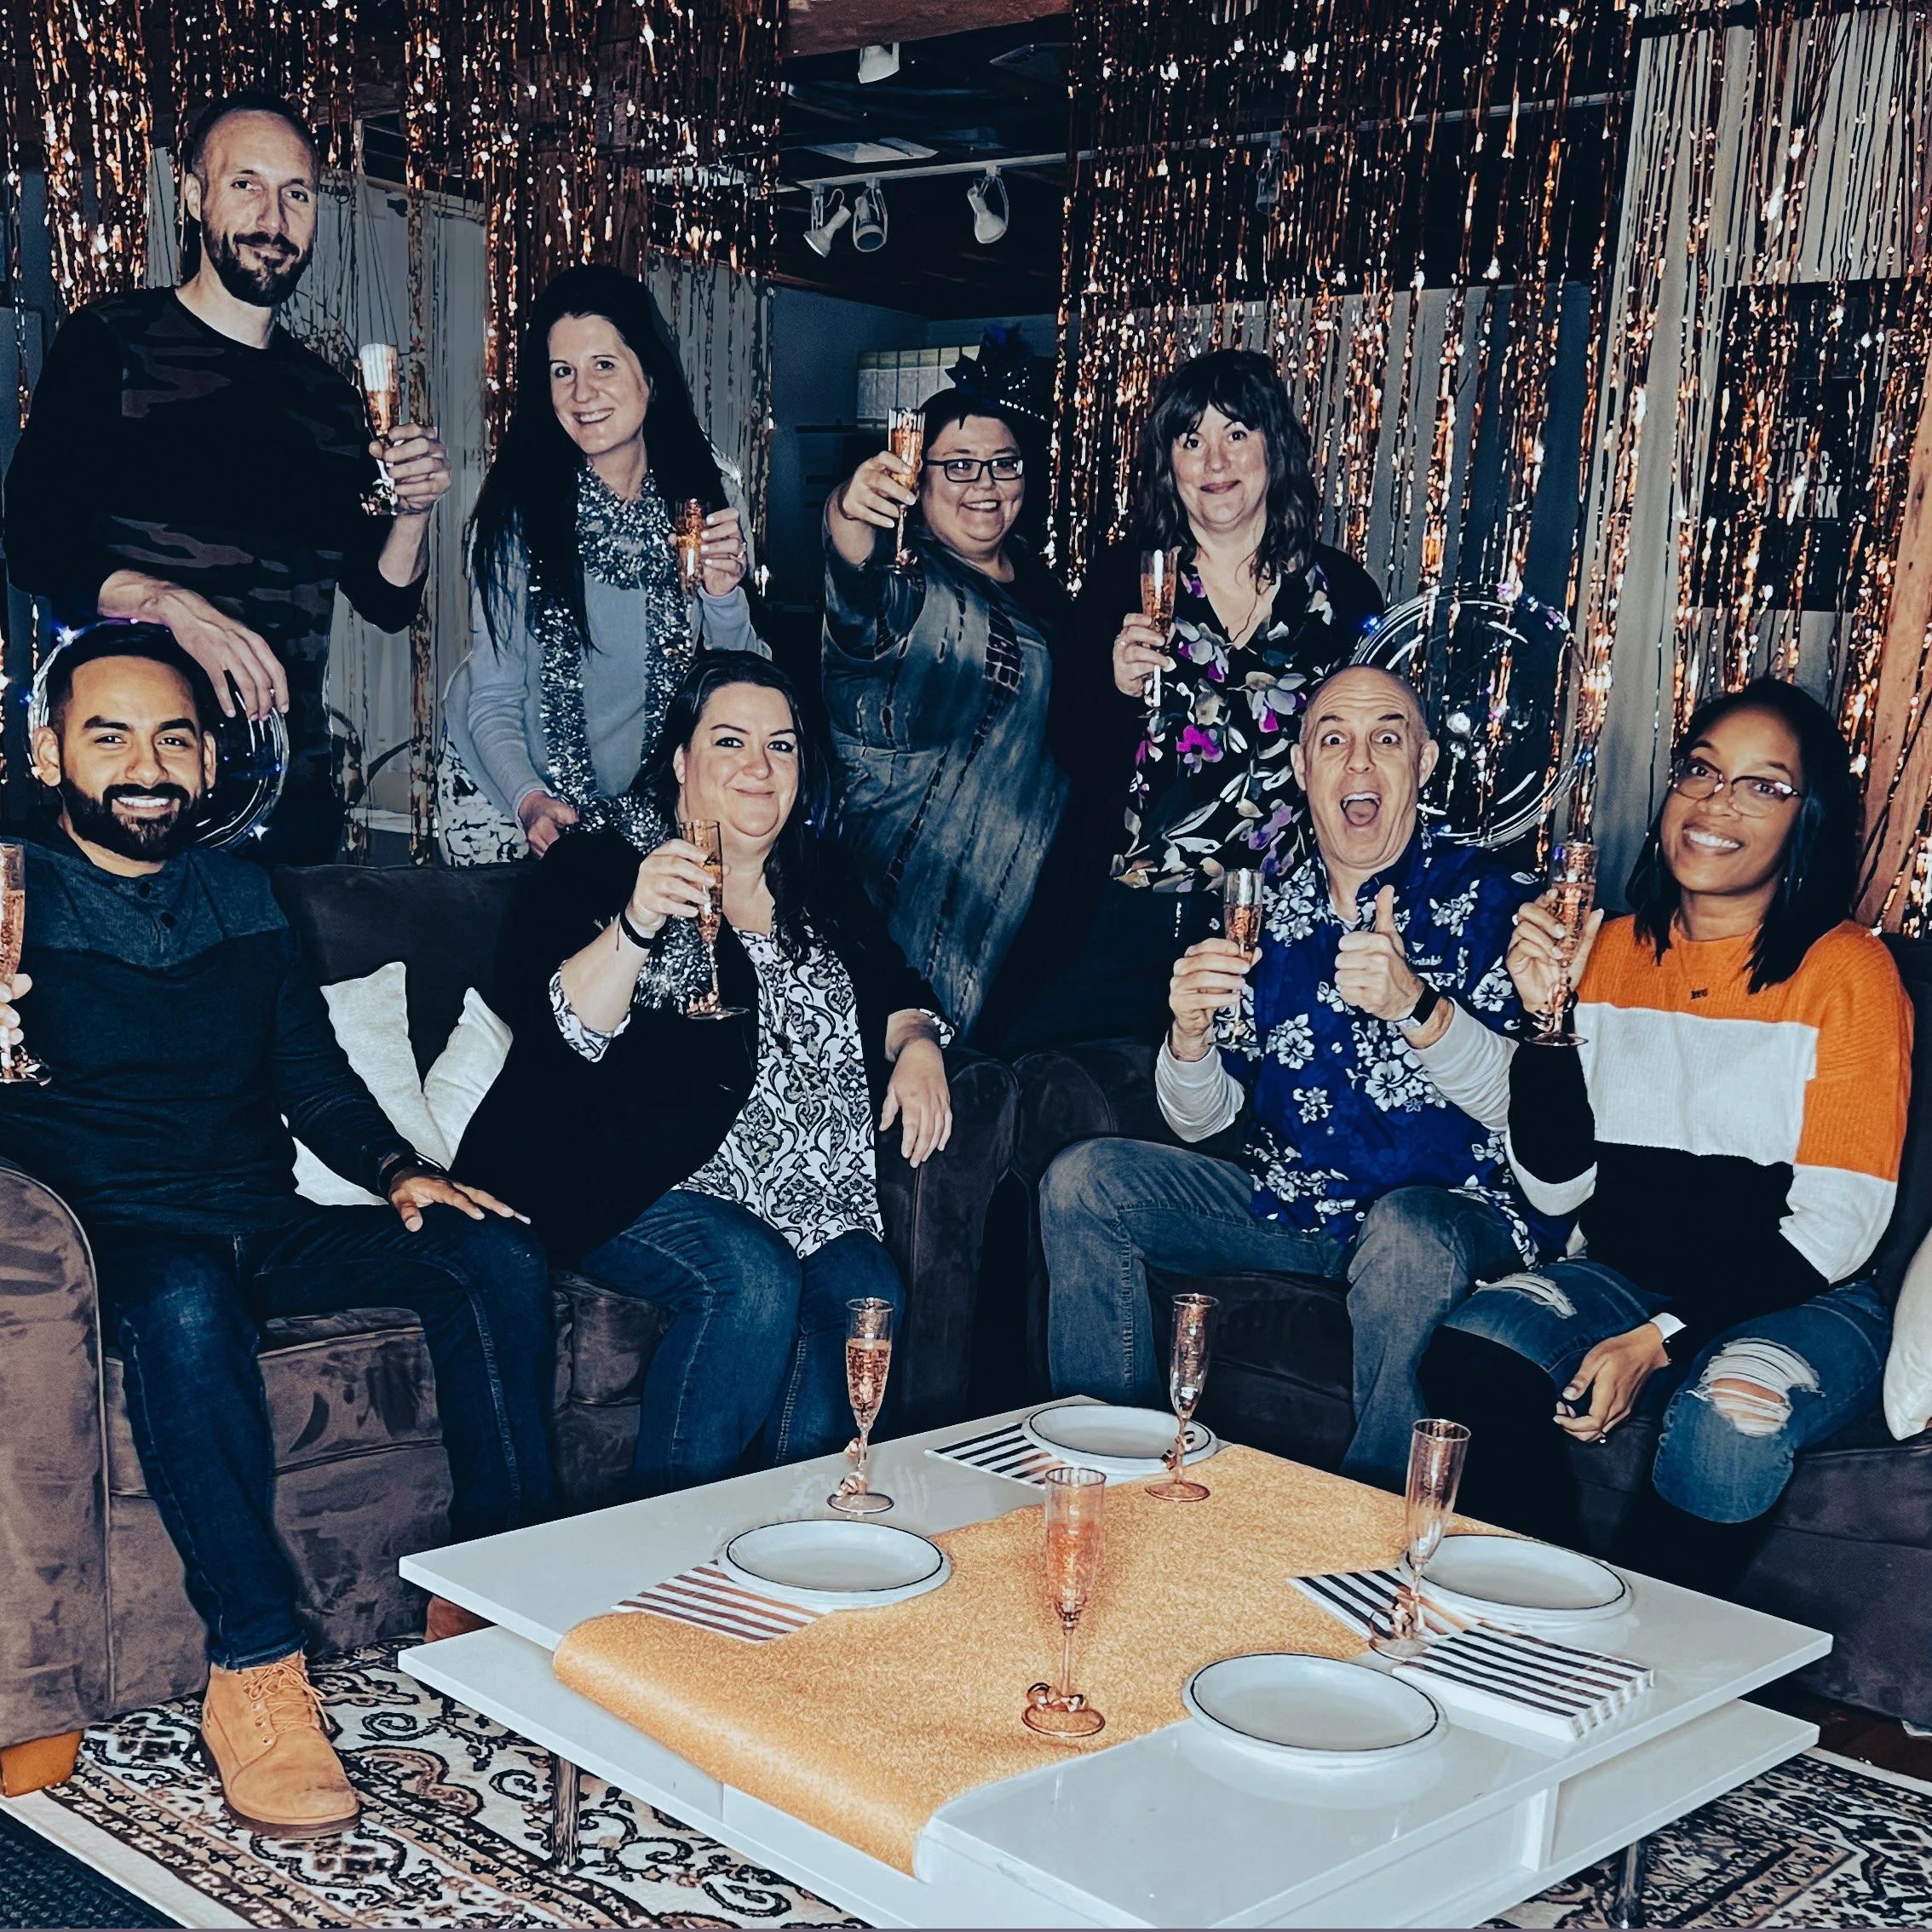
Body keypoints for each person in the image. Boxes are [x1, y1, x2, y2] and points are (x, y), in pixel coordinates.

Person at [0, 624, 554, 1838]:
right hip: (112, 1254)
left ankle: (500, 1592)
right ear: (51, 755)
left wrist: (402, 1171)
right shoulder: (11, 896)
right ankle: (254, 1674)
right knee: (185, 1296)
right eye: (110, 736)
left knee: (491, 1251)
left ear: (206, 763)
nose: (146, 764)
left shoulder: (243, 894)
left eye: (174, 738)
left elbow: (311, 1078)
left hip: (262, 1223)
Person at [1419, 679, 1912, 1596]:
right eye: (1701, 770)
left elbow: (1836, 1228)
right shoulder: (1605, 948)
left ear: (1807, 821)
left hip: (1803, 1294)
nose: (1718, 801)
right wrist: (1549, 1021)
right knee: (1472, 1351)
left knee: (1733, 1417)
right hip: (1622, 1271)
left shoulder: (1848, 969)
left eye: (1765, 786)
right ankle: (1550, 1608)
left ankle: (1647, 1637)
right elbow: (1559, 1190)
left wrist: (1657, 1340)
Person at [1038, 666, 1562, 1488]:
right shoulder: (1271, 912)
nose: (1360, 764)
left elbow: (1530, 1114)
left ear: (1423, 764)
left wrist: (1416, 1007)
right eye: (1334, 741)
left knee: (1409, 1236)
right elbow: (1205, 1122)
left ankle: (1377, 1533)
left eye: (1386, 739)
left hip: (1453, 1215)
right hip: (1300, 1207)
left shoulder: (1499, 904)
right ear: (1302, 768)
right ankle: (1107, 1477)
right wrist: (1188, 1037)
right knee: (1085, 1182)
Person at [458, 655, 952, 1496]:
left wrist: (917, 1043)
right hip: (622, 1180)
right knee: (749, 1271)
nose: (759, 767)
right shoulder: (600, 862)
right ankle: (665, 1565)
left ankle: (797, 1547)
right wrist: (639, 918)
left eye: (782, 746)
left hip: (811, 1200)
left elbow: (894, 984)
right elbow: (557, 1027)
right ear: (682, 759)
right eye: (730, 741)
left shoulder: (821, 878)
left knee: (866, 1283)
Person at [2, 89, 451, 863]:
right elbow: (34, 544)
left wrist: (412, 512)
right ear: (192, 193)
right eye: (246, 184)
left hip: (286, 792)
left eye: (297, 193)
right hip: (129, 797)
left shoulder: (331, 403)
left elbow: (382, 599)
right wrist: (171, 605)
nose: (273, 219)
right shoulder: (112, 341)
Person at [985, 348, 1384, 1053]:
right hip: (1128, 913)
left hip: (1273, 922)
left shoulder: (1343, 593)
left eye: (1235, 433)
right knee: (1030, 1068)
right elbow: (1076, 752)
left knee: (1229, 1118)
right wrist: (1115, 686)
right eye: (1190, 440)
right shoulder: (1122, 579)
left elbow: (1375, 758)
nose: (1213, 461)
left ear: (1274, 447)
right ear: (1170, 464)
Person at [440, 264, 762, 865]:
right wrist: (529, 800)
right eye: (562, 371)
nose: (581, 394)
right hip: (505, 789)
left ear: (651, 376)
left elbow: (742, 686)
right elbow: (493, 696)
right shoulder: (514, 515)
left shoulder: (707, 500)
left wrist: (723, 596)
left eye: (603, 366)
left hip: (641, 805)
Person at [822, 360, 1071, 1037]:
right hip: (910, 893)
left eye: (1003, 464)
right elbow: (854, 586)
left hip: (1032, 910)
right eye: (958, 465)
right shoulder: (909, 581)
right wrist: (848, 506)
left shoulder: (1041, 584)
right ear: (918, 478)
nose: (985, 485)